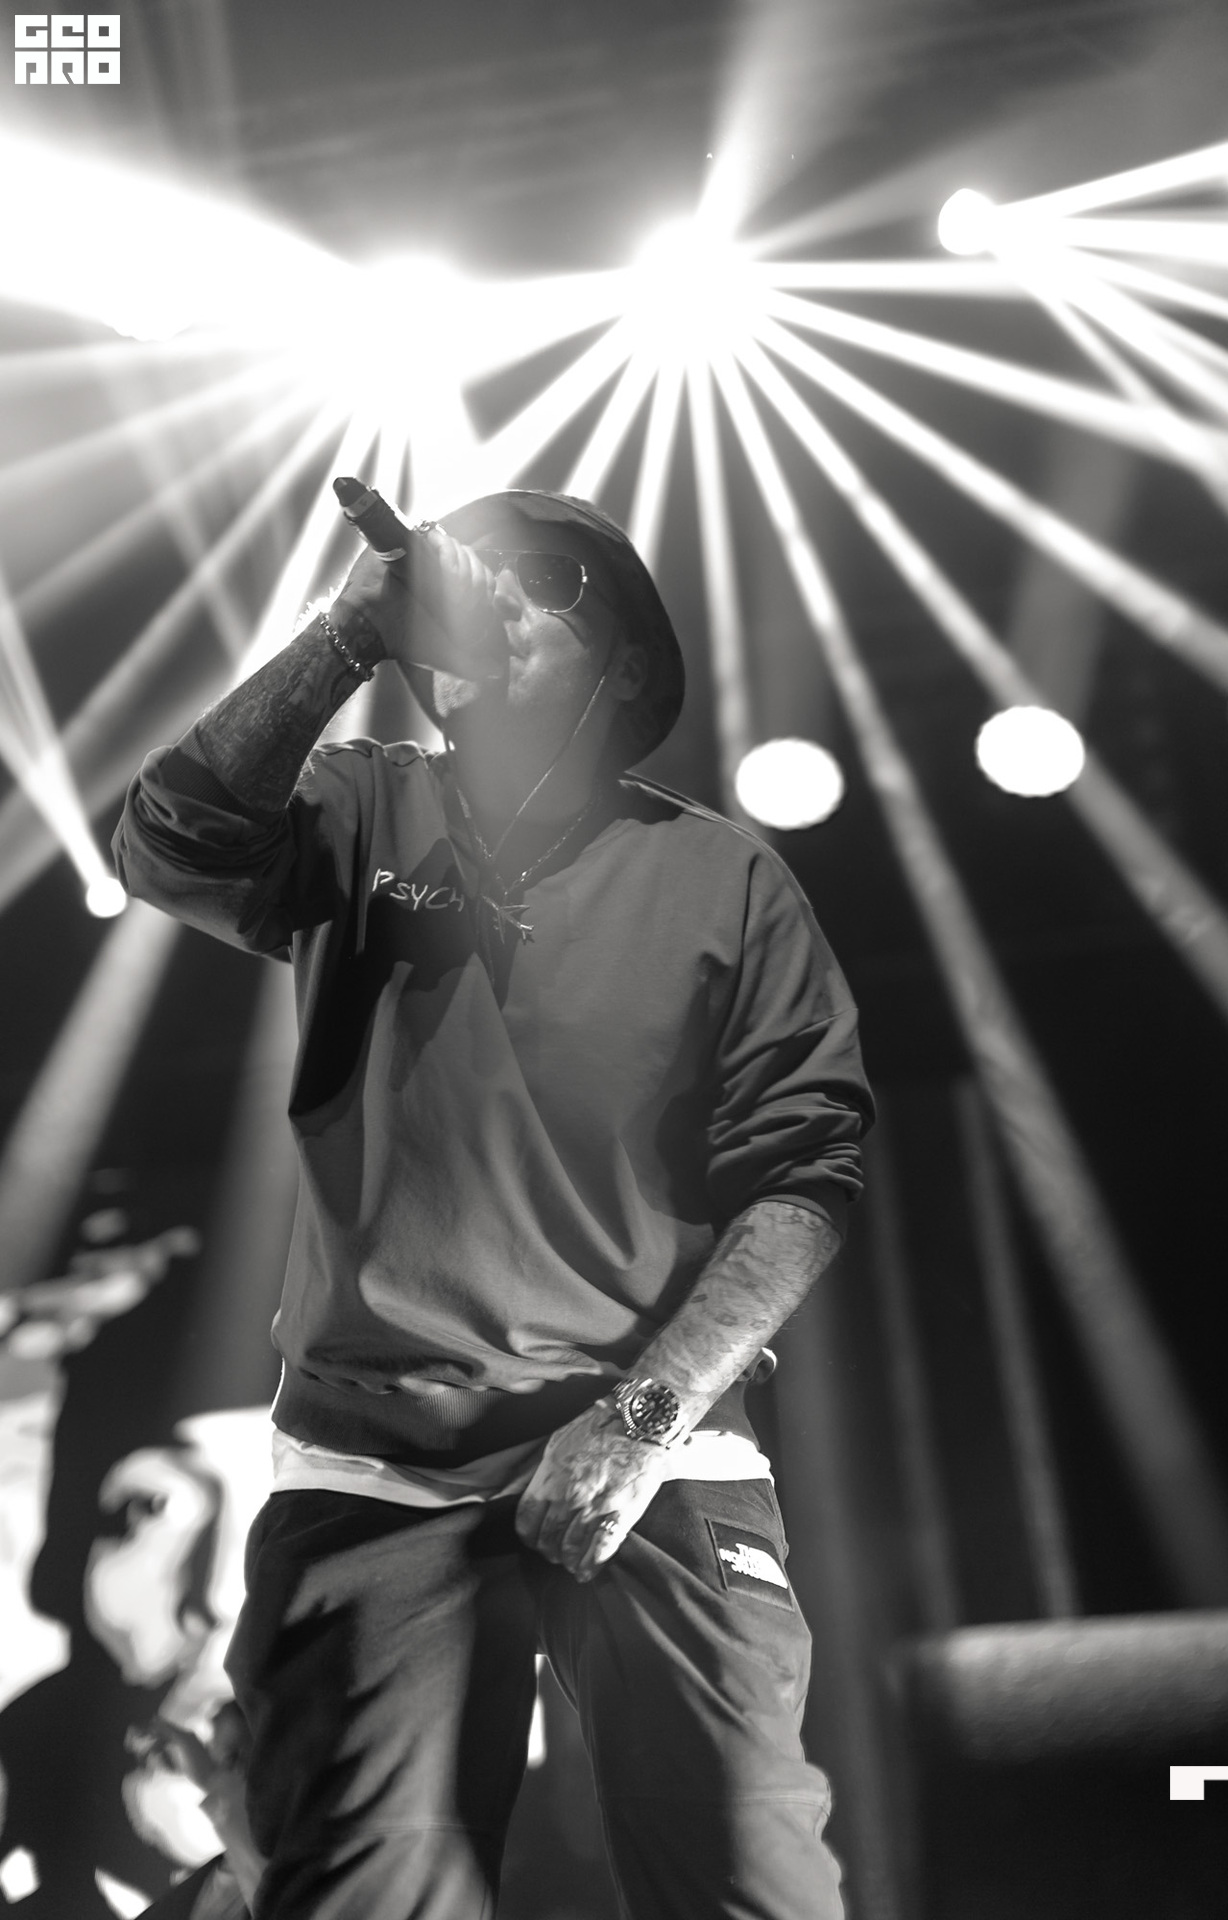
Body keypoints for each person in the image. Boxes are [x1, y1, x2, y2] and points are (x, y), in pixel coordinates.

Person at [114, 487, 874, 1920]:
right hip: (370, 1459)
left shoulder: (725, 876)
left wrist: (640, 1420)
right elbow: (169, 844)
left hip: (652, 1434)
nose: (491, 595)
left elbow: (804, 1177)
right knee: (362, 1893)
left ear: (628, 666)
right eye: (477, 576)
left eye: (545, 581)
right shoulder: (360, 809)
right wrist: (350, 632)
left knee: (751, 1876)